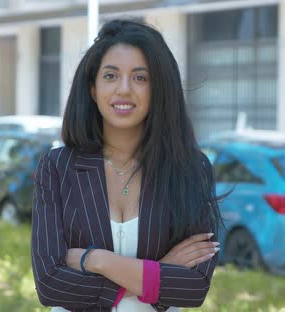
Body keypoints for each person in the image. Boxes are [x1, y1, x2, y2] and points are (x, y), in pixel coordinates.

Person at [31, 19, 224, 312]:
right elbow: (50, 285)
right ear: (93, 88)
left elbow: (193, 288)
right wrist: (158, 272)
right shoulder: (57, 167)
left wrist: (96, 260)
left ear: (159, 89)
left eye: (140, 78)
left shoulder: (191, 169)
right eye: (110, 76)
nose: (124, 89)